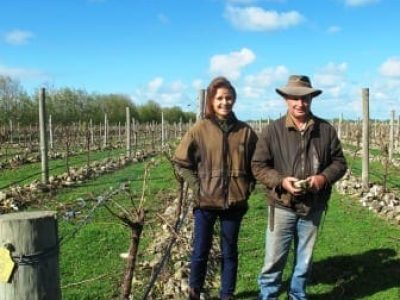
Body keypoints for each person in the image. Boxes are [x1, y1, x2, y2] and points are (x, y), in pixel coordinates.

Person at [251, 75, 347, 300]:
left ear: (311, 99)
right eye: (294, 98)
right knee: (273, 261)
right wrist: (282, 181)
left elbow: (340, 162)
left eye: (305, 98)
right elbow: (258, 165)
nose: (299, 103)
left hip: (313, 207)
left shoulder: (325, 130)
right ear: (286, 99)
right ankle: (268, 297)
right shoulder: (272, 131)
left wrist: (322, 179)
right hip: (281, 205)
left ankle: (297, 295)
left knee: (304, 261)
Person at [173, 76, 258, 300]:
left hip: (234, 203)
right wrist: (197, 187)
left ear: (234, 100)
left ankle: (226, 294)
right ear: (211, 100)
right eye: (220, 98)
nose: (224, 102)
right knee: (200, 250)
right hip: (206, 203)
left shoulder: (245, 132)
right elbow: (182, 161)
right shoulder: (199, 130)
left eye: (229, 98)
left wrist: (247, 186)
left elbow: (258, 163)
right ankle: (194, 291)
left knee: (229, 252)